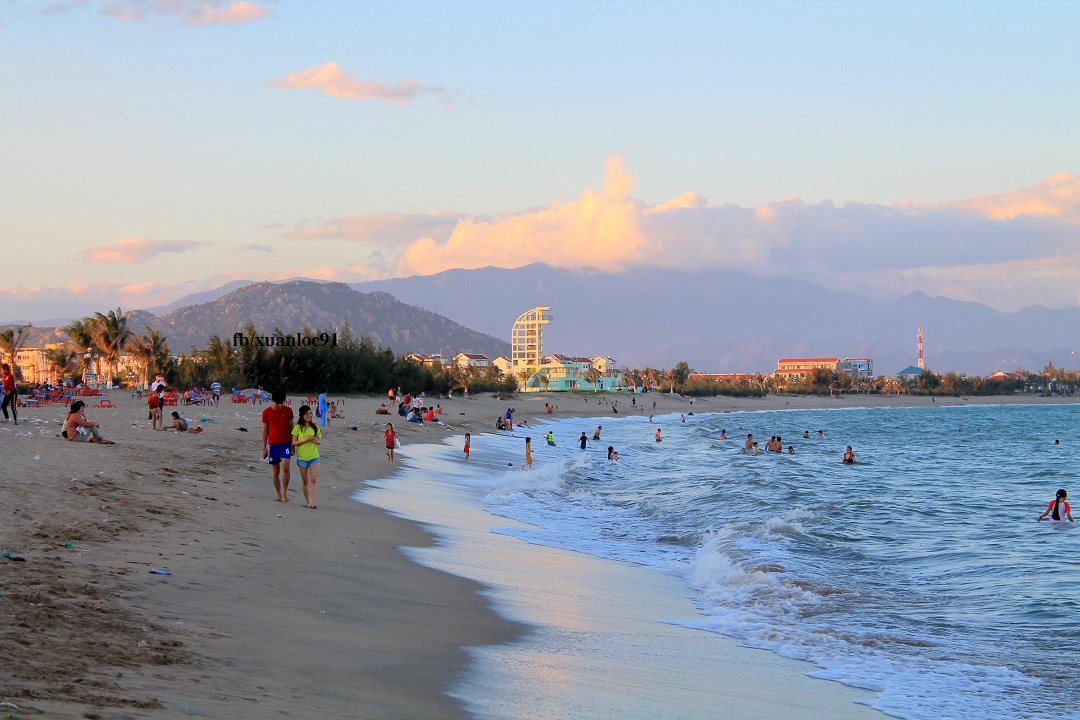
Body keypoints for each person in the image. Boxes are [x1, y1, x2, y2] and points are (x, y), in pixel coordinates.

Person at [261, 390, 294, 503]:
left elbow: (291, 428)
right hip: (273, 444)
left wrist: (293, 444)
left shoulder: (288, 410)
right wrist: (264, 447)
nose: (279, 405)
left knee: (286, 466)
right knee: (276, 469)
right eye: (277, 403)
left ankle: (284, 492)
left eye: (281, 403)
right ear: (273, 400)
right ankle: (279, 494)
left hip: (285, 443)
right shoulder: (266, 412)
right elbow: (265, 431)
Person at [291, 405, 322, 509]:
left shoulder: (315, 427)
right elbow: (294, 443)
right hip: (302, 458)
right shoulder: (297, 428)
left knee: (313, 480)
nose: (308, 416)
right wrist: (306, 440)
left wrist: (315, 440)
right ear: (301, 415)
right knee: (305, 481)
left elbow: (319, 441)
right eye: (306, 414)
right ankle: (308, 501)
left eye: (310, 413)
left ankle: (312, 502)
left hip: (314, 456)